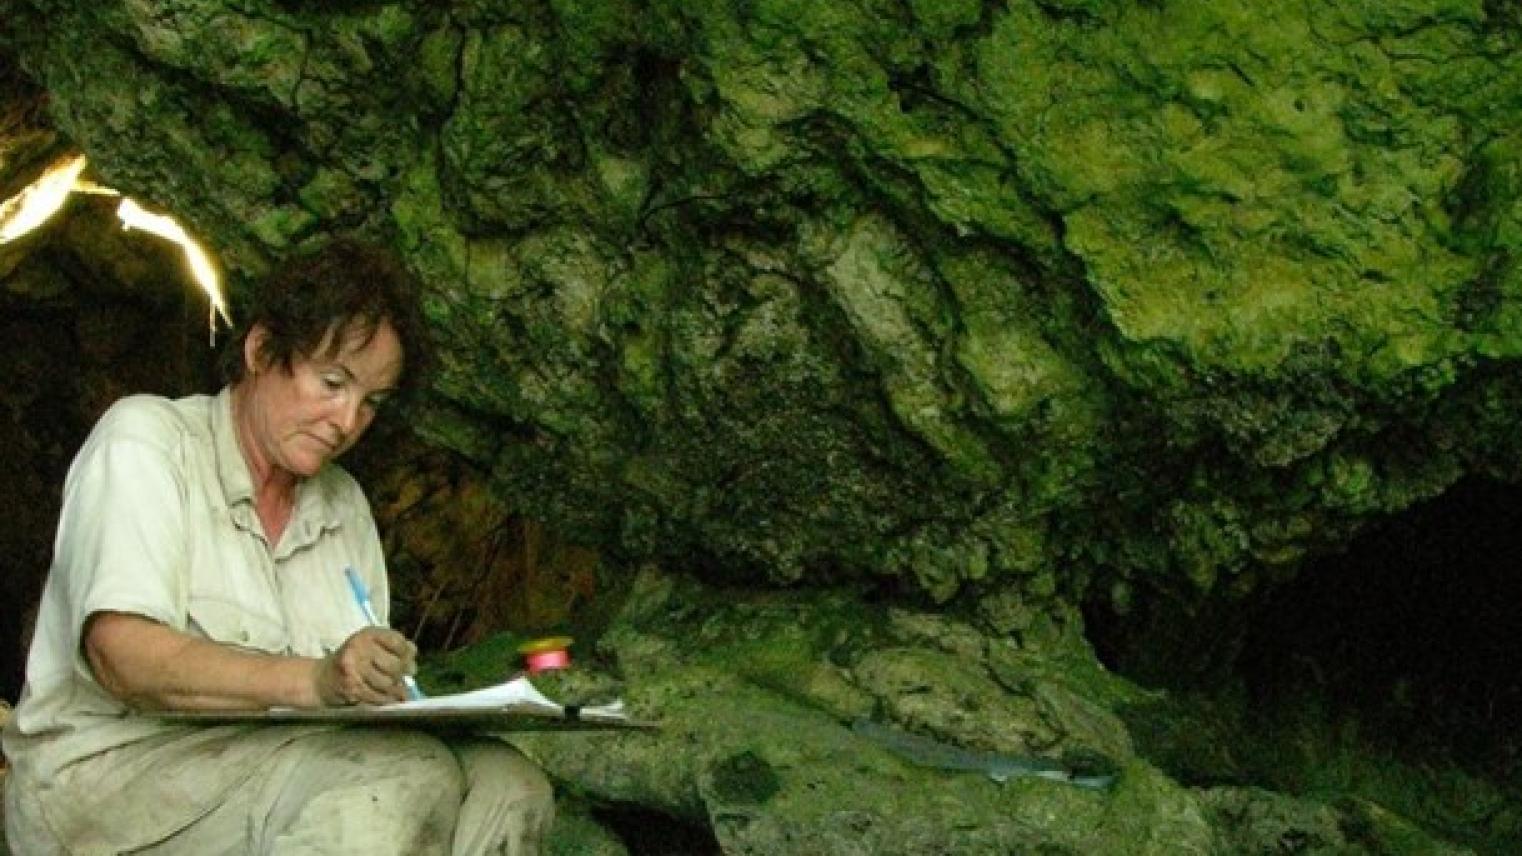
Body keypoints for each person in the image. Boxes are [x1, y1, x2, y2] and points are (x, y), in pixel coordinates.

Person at [2, 238, 554, 854]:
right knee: (403, 779)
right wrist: (318, 680)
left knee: (511, 784)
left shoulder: (342, 507)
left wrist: (377, 683)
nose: (346, 421)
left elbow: (352, 700)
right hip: (111, 777)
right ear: (262, 350)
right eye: (333, 382)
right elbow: (122, 657)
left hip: (274, 762)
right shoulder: (147, 442)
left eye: (370, 402)